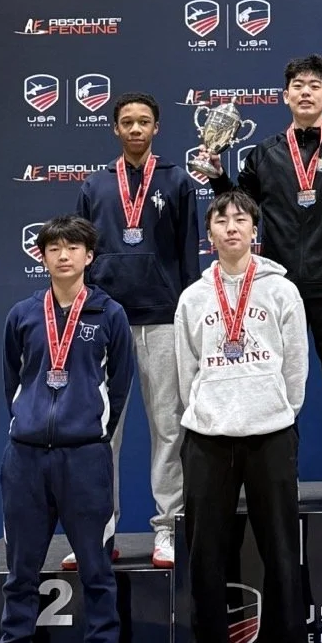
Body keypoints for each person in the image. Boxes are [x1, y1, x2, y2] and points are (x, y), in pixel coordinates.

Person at [203, 55, 322, 508]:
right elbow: (239, 208)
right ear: (285, 96)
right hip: (276, 289)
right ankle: (280, 477)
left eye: (314, 85)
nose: (305, 92)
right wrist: (219, 176)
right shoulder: (263, 153)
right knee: (275, 384)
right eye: (298, 85)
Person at [0, 216, 134, 643]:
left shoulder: (109, 315)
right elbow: (14, 383)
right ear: (42, 256)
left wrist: (87, 434)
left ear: (90, 256)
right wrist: (28, 424)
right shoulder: (23, 315)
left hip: (85, 458)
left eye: (74, 247)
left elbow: (121, 384)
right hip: (25, 459)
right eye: (54, 248)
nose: (64, 255)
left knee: (95, 568)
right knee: (20, 570)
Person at [175, 190, 309, 643]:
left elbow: (294, 364)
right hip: (209, 436)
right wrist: (209, 408)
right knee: (206, 554)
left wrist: (278, 409)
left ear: (256, 229)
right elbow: (187, 370)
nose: (231, 228)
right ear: (208, 233)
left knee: (279, 550)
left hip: (270, 430)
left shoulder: (280, 291)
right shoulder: (193, 297)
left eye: (241, 220)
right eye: (221, 220)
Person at [70, 91, 199, 569]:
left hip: (164, 318)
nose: (136, 129)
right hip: (107, 322)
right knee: (104, 432)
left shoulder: (178, 180)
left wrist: (185, 311)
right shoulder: (95, 184)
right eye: (127, 122)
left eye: (144, 121)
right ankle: (101, 532)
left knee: (169, 428)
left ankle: (168, 528)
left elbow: (189, 254)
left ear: (156, 128)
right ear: (115, 129)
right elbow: (82, 252)